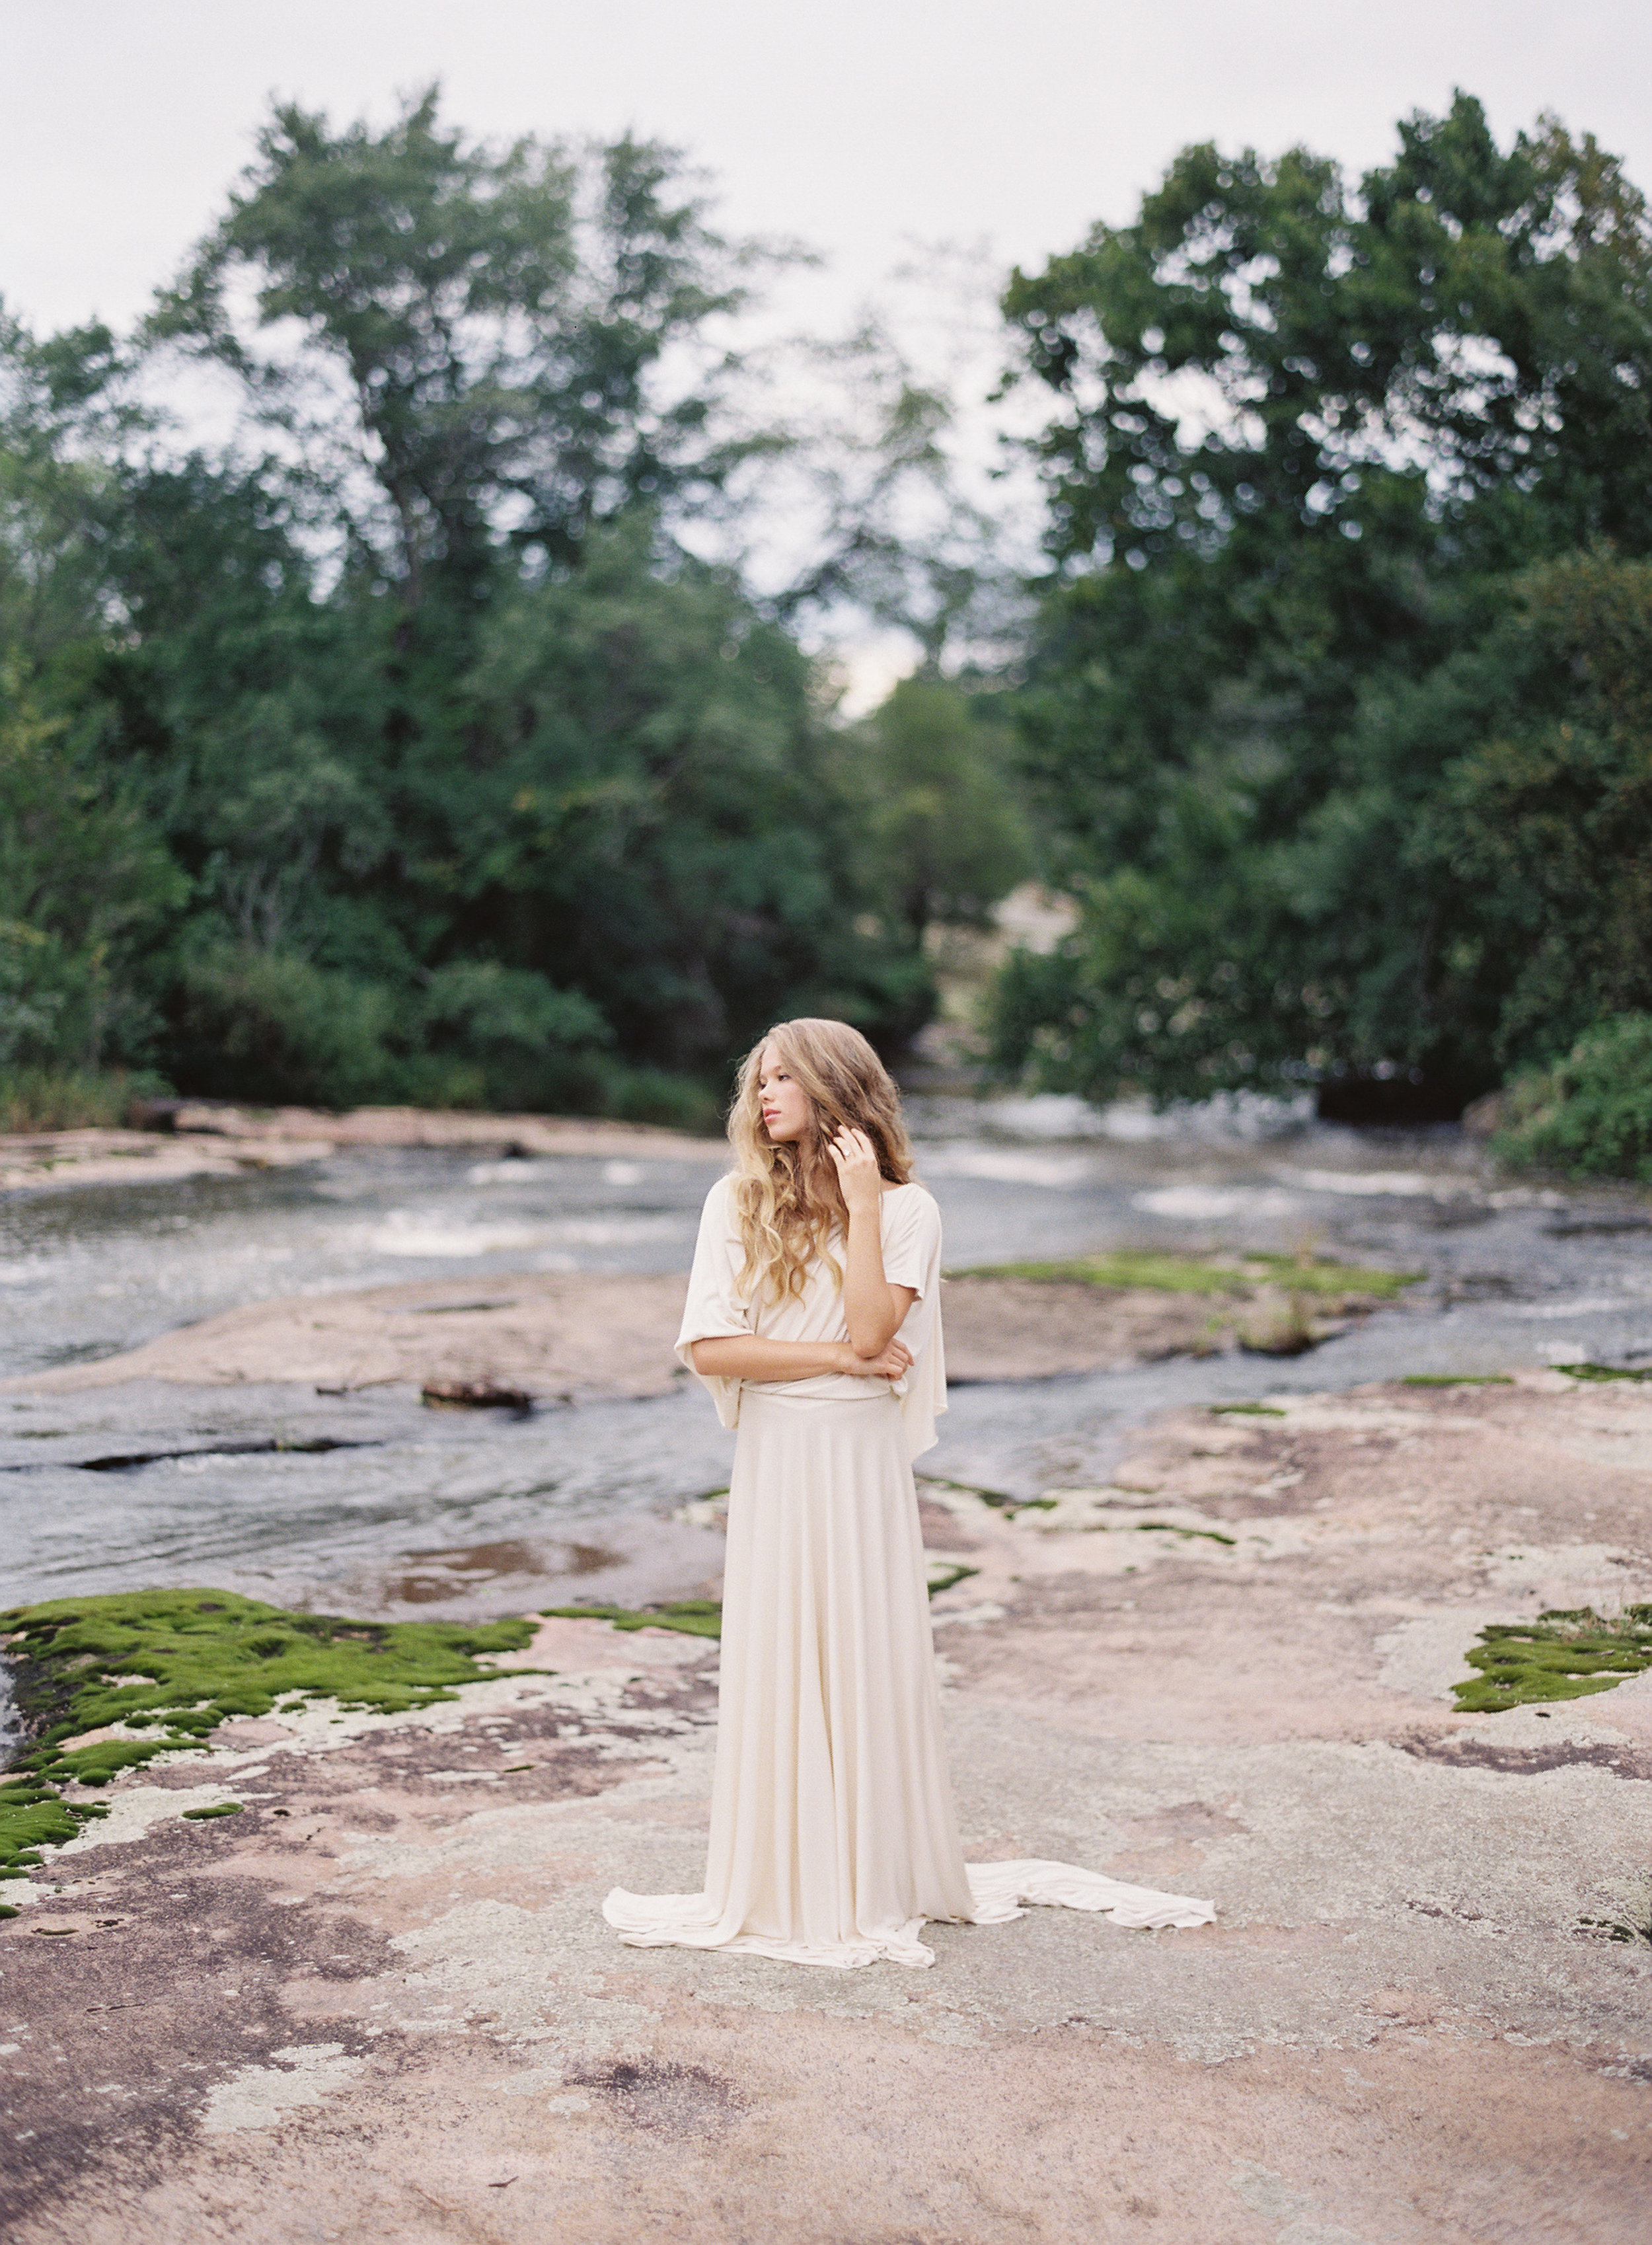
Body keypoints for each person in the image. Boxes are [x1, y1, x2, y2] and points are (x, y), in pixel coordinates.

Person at [603, 1017, 1214, 1968]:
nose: (762, 1097)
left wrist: (861, 1209)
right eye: (756, 1082)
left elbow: (871, 1324)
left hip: (858, 1464)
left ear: (837, 1089)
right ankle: (780, 1881)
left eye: (782, 1080)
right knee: (781, 1653)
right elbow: (716, 1350)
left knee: (860, 1653)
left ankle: (868, 1878)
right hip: (776, 1458)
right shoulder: (734, 1202)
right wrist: (826, 1360)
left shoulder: (910, 1211)